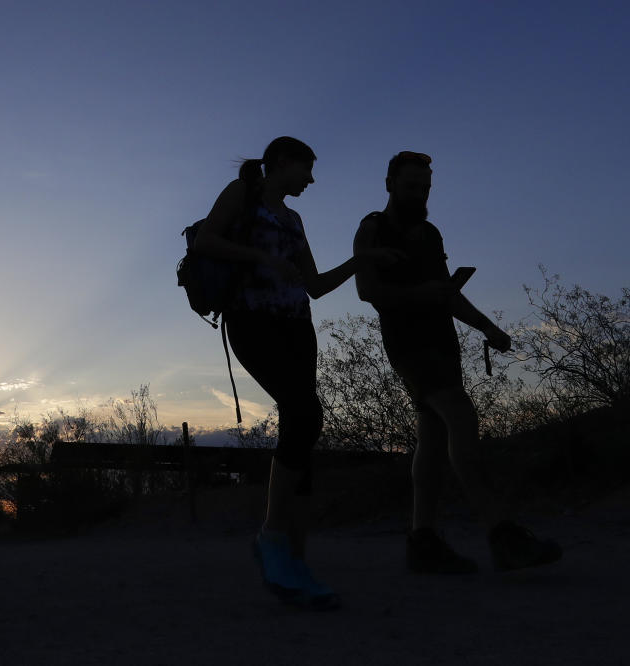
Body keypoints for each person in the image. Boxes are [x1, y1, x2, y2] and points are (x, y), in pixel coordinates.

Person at [195, 137, 402, 609]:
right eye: (306, 169)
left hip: (297, 327)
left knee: (305, 425)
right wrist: (262, 258)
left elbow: (316, 287)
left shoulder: (294, 219)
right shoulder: (241, 193)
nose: (311, 180)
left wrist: (362, 261)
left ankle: (296, 559)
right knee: (304, 413)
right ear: (281, 164)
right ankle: (272, 538)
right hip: (251, 320)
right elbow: (208, 238)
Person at [353, 150, 562, 573]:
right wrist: (421, 295)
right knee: (461, 419)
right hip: (409, 344)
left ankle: (423, 540)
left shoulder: (430, 234)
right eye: (412, 186)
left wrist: (487, 327)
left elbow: (448, 294)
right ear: (390, 183)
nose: (420, 193)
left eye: (426, 187)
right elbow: (367, 291)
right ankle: (500, 532)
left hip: (441, 344)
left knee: (431, 437)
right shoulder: (372, 228)